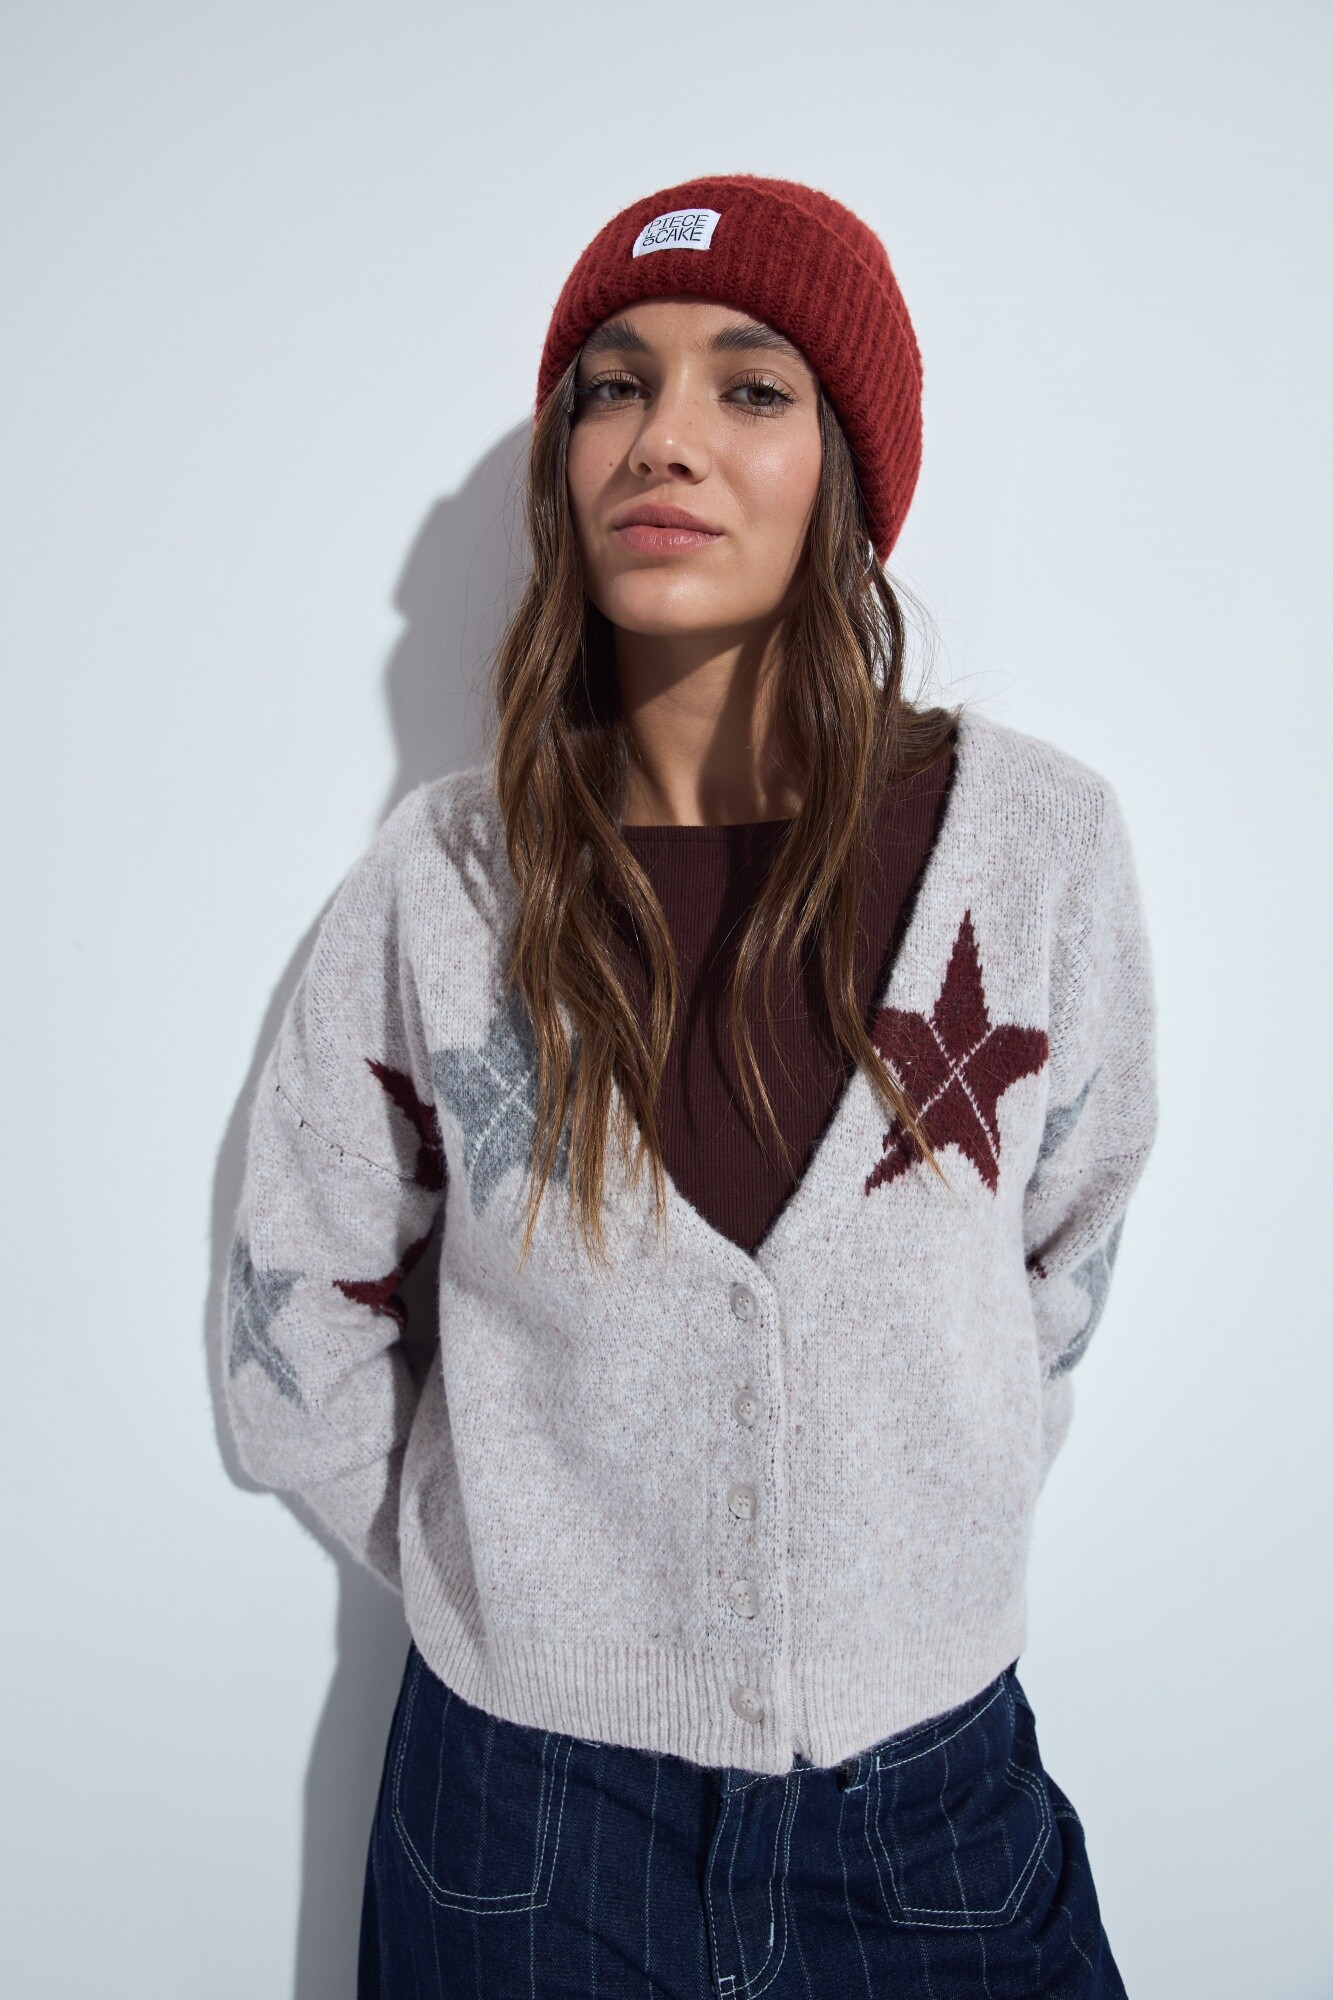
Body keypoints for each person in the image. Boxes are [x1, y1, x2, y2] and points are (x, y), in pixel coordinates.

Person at [224, 174, 1157, 1998]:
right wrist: (504, 1578)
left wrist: (916, 1529)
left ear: (846, 473)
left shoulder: (1035, 849)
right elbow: (297, 1310)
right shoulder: (445, 889)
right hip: (522, 1830)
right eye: (612, 387)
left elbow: (1062, 1251)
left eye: (749, 387)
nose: (664, 439)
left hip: (934, 1816)